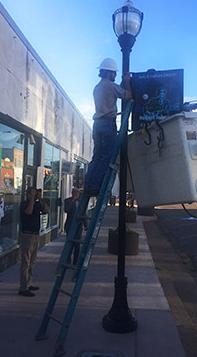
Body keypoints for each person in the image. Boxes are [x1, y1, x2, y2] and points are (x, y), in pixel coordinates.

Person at [84, 58, 132, 196]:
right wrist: (127, 82)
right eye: (114, 74)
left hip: (97, 124)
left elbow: (115, 91)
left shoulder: (97, 87)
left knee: (97, 156)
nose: (115, 76)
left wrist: (121, 84)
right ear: (109, 73)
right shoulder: (111, 86)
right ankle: (96, 187)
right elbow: (128, 95)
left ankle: (88, 185)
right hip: (107, 124)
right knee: (106, 157)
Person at [19, 186, 50, 297]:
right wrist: (31, 199)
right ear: (28, 194)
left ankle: (29, 283)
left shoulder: (37, 204)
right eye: (32, 193)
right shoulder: (24, 204)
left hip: (36, 235)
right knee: (25, 262)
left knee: (32, 262)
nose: (35, 195)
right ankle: (23, 288)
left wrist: (40, 199)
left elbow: (47, 211)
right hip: (27, 235)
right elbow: (28, 212)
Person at [64, 188, 87, 265]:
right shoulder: (67, 201)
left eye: (77, 193)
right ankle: (68, 259)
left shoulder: (81, 202)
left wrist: (86, 224)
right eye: (75, 193)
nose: (76, 194)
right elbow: (66, 210)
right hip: (69, 225)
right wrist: (72, 201)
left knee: (77, 244)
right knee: (69, 243)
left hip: (78, 226)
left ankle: (75, 261)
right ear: (72, 193)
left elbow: (83, 213)